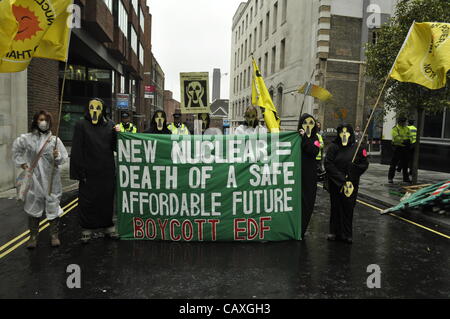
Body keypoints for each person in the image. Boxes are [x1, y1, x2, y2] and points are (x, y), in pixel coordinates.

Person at [12, 110, 68, 249]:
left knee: (53, 205)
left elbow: (62, 160)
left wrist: (57, 155)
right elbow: (16, 149)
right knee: (33, 207)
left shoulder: (55, 141)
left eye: (46, 120)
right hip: (34, 180)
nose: (43, 122)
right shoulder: (27, 138)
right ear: (35, 121)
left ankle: (54, 235)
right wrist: (22, 163)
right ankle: (33, 236)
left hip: (51, 180)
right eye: (41, 119)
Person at [70, 98, 118, 244]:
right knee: (88, 201)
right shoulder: (81, 125)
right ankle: (87, 228)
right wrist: (78, 171)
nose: (95, 111)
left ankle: (107, 226)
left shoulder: (110, 125)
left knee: (106, 199)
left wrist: (118, 134)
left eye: (98, 108)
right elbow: (77, 149)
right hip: (88, 170)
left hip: (106, 169)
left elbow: (115, 146)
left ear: (103, 109)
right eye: (92, 107)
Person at [325, 124, 369, 244]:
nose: (344, 134)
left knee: (348, 208)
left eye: (347, 132)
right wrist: (340, 178)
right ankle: (334, 232)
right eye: (341, 132)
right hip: (336, 183)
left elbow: (364, 164)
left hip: (351, 184)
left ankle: (347, 233)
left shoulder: (358, 147)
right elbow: (328, 163)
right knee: (336, 207)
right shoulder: (333, 147)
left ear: (350, 134)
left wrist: (353, 169)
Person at [298, 114, 321, 238]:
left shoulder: (316, 138)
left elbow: (313, 150)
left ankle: (302, 229)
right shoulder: (297, 136)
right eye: (305, 123)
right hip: (296, 174)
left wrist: (305, 138)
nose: (308, 126)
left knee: (307, 202)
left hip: (310, 176)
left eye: (310, 123)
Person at [388, 117, 411, 184]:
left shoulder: (407, 128)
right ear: (399, 122)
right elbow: (396, 138)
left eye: (405, 122)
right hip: (397, 148)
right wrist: (403, 141)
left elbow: (410, 136)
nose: (404, 123)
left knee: (405, 164)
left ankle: (406, 178)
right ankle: (390, 178)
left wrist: (409, 141)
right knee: (393, 164)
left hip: (405, 148)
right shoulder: (395, 128)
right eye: (403, 122)